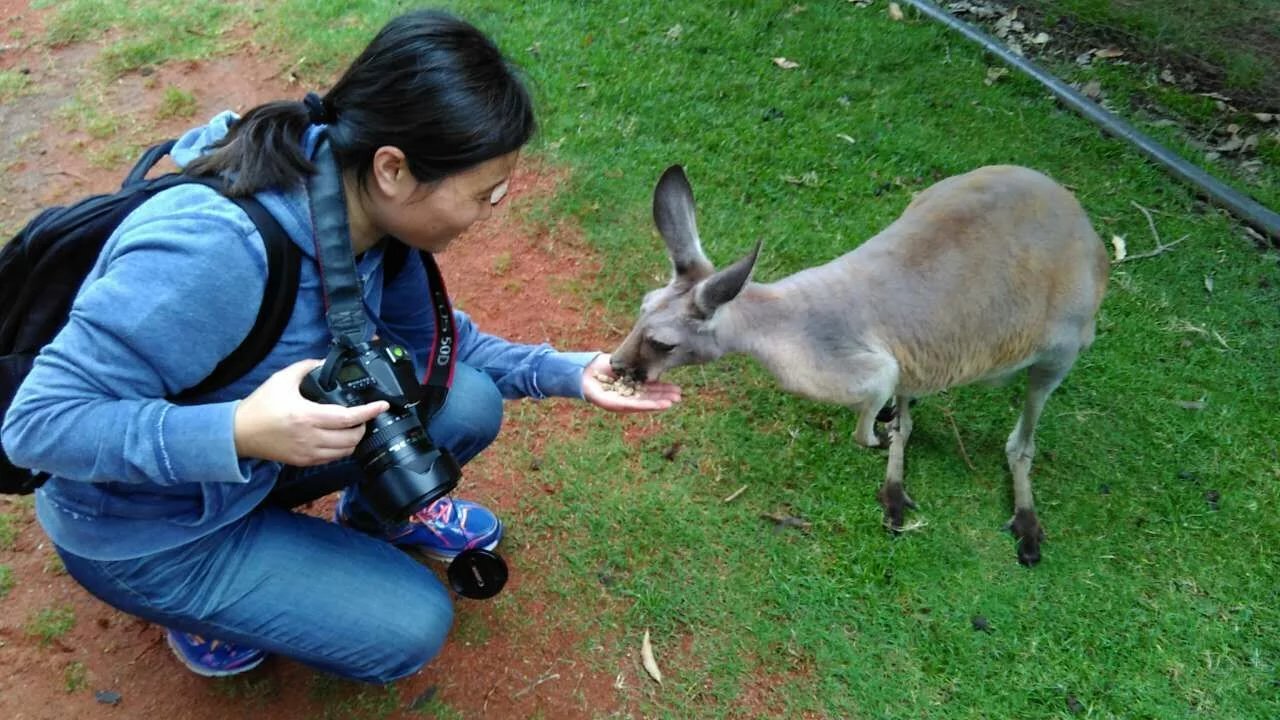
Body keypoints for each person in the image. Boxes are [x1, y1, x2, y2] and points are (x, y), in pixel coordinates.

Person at [0, 9, 679, 682]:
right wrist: (239, 430)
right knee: (409, 626)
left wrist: (570, 371)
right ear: (394, 169)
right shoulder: (214, 252)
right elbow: (35, 426)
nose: (489, 214)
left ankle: (368, 517)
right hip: (150, 526)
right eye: (483, 195)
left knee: (462, 401)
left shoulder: (364, 215)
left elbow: (441, 347)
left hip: (259, 458)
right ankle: (201, 604)